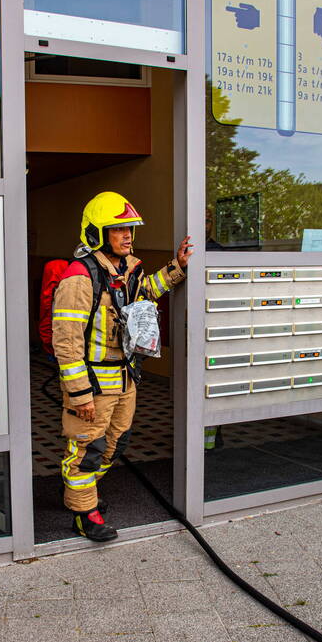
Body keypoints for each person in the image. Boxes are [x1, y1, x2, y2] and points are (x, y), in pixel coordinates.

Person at [51, 191, 193, 542]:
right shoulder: (79, 277)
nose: (128, 234)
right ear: (97, 234)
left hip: (124, 377)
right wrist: (80, 393)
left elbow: (145, 292)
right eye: (119, 229)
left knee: (115, 443)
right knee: (86, 449)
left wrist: (178, 268)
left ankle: (81, 495)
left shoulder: (128, 269)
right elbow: (66, 343)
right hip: (94, 383)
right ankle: (84, 513)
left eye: (130, 228)